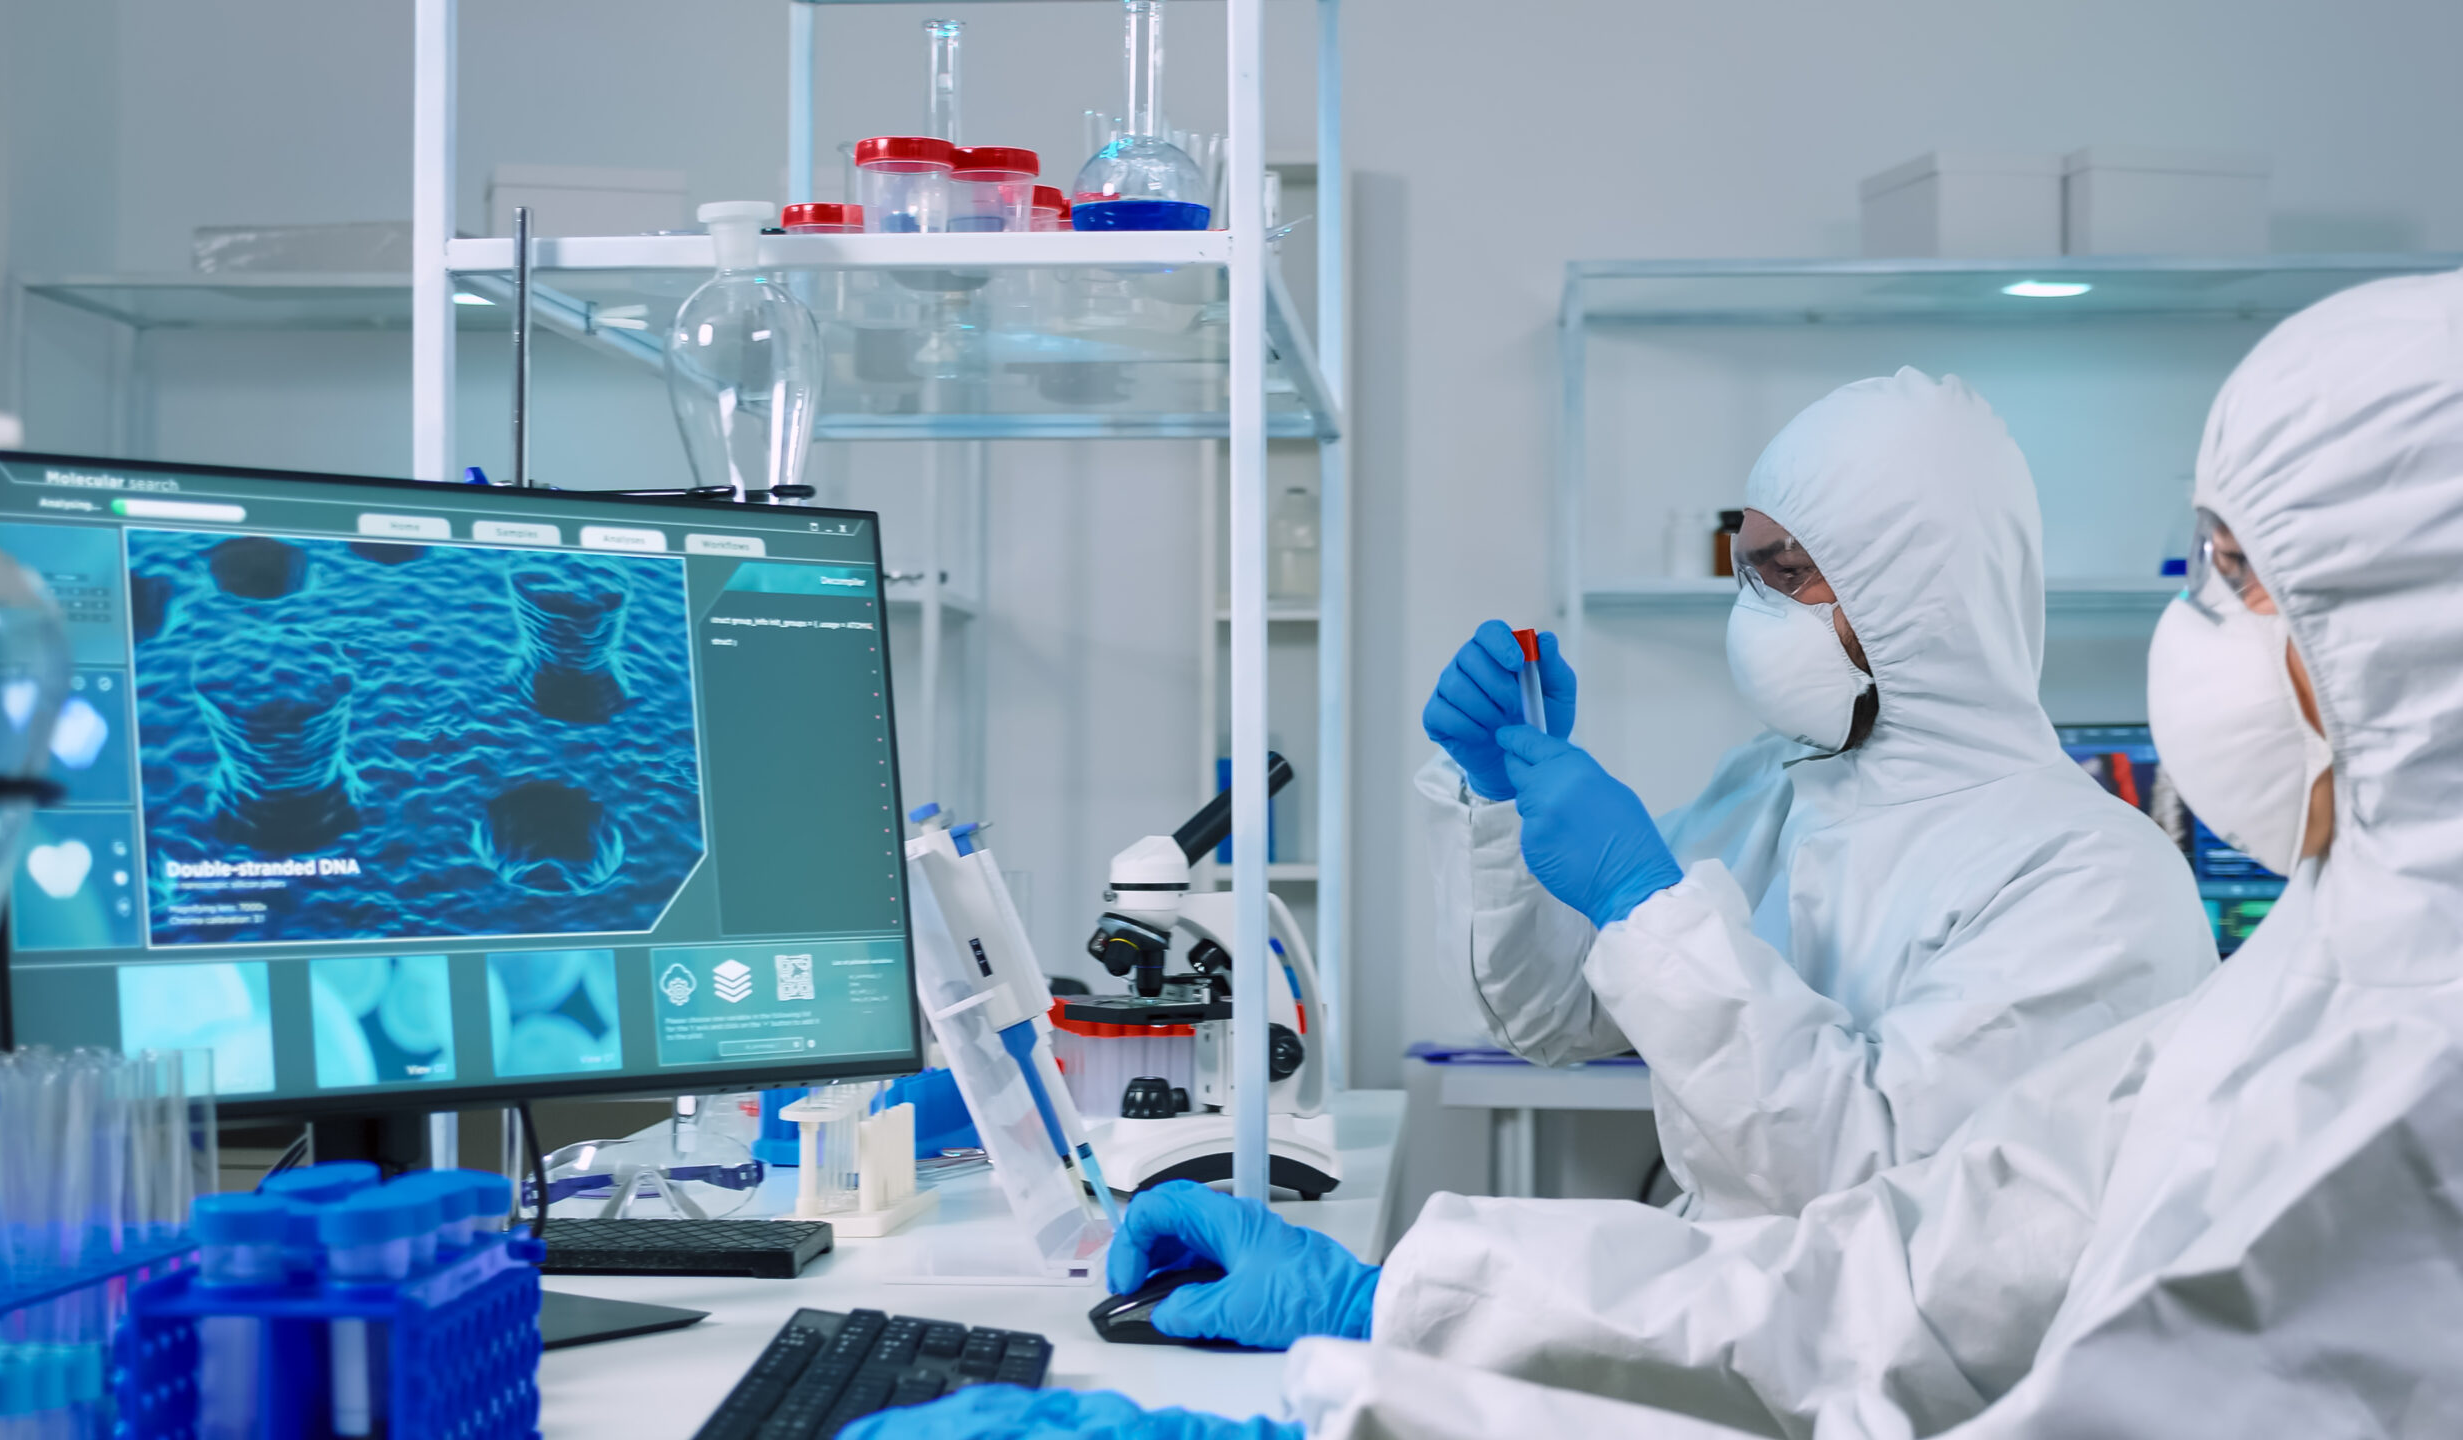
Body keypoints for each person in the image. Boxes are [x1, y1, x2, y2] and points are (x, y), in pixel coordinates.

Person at [847, 267, 2463, 1438]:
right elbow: (1876, 1284)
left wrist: (1375, 1394)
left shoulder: (2108, 893)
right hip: (1716, 1337)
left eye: (2239, 578)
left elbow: (1860, 1222)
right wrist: (1501, 818)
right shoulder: (2294, 997)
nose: (1744, 608)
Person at [1413, 367, 2214, 1219]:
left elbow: (1872, 1189)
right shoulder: (1778, 787)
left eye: (1787, 573)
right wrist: (1500, 796)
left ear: (1919, 586)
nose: (1755, 611)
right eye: (1747, 575)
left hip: (1920, 1348)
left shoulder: (2089, 879)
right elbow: (1550, 1018)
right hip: (1739, 1307)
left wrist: (1645, 906)